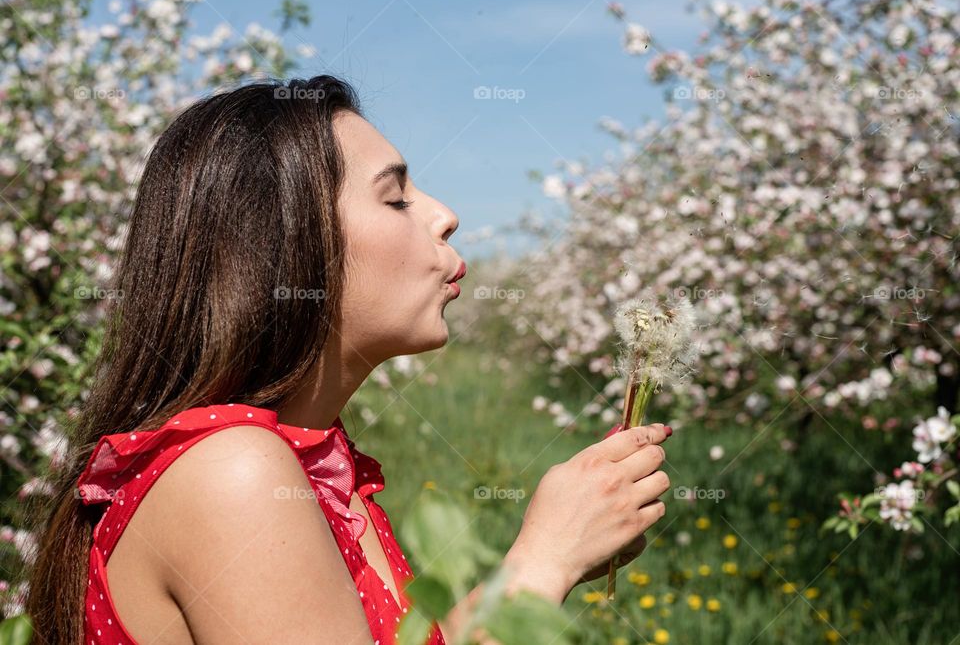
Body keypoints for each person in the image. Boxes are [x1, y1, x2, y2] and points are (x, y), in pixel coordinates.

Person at [26, 75, 671, 644]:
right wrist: (544, 559)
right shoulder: (230, 474)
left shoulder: (317, 467)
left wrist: (561, 542)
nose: (446, 216)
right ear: (281, 247)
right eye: (395, 199)